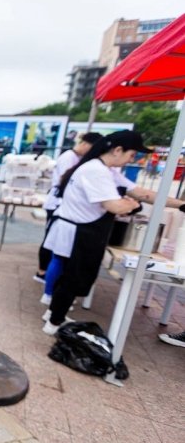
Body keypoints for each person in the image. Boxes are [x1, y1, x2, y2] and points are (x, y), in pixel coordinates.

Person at [41, 130, 185, 335]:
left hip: (83, 230)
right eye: (132, 155)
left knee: (69, 277)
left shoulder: (107, 170)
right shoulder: (96, 171)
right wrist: (130, 204)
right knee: (72, 278)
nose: (131, 160)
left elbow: (142, 194)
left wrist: (180, 204)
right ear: (118, 150)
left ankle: (53, 314)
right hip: (79, 232)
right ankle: (53, 323)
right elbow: (114, 206)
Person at [35, 132, 103, 294]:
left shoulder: (76, 159)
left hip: (60, 205)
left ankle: (46, 275)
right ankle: (42, 272)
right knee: (51, 243)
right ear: (86, 144)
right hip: (57, 205)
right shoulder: (68, 158)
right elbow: (64, 183)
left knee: (55, 246)